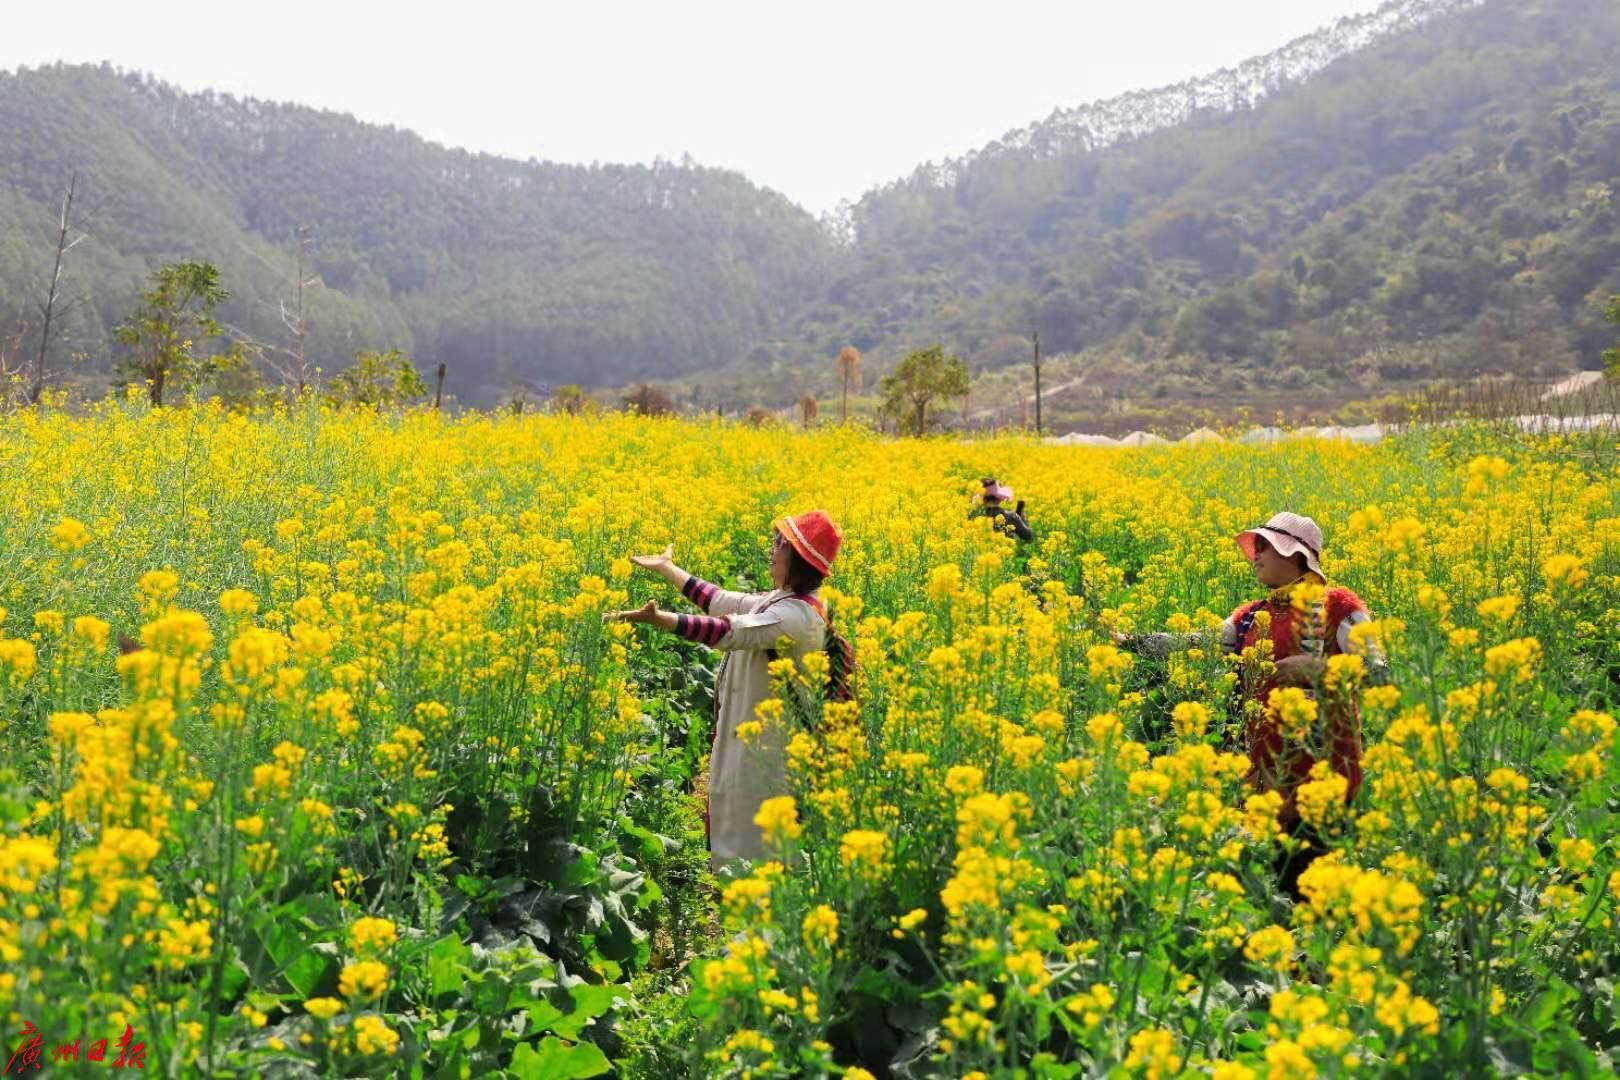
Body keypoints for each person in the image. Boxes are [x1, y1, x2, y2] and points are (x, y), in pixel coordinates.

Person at [1120, 512, 1385, 898]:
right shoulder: (1249, 617)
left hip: (1324, 777)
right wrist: (1131, 640)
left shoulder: (1338, 606)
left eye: (1265, 545)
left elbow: (1379, 672)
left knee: (1310, 892)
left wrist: (1316, 668)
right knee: (1267, 892)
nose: (1255, 553)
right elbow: (1199, 642)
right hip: (1264, 778)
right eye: (1254, 545)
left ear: (1295, 556)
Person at [605, 510, 842, 870]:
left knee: (762, 851)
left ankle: (761, 920)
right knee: (741, 841)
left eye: (779, 543)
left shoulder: (799, 618)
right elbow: (719, 600)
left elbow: (727, 631)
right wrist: (668, 568)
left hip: (770, 752)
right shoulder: (781, 600)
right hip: (750, 739)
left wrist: (659, 620)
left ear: (799, 558)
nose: (771, 549)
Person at [972, 476, 1034, 542]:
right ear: (999, 498)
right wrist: (1022, 517)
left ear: (982, 499)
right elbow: (1028, 536)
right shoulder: (1012, 517)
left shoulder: (975, 518)